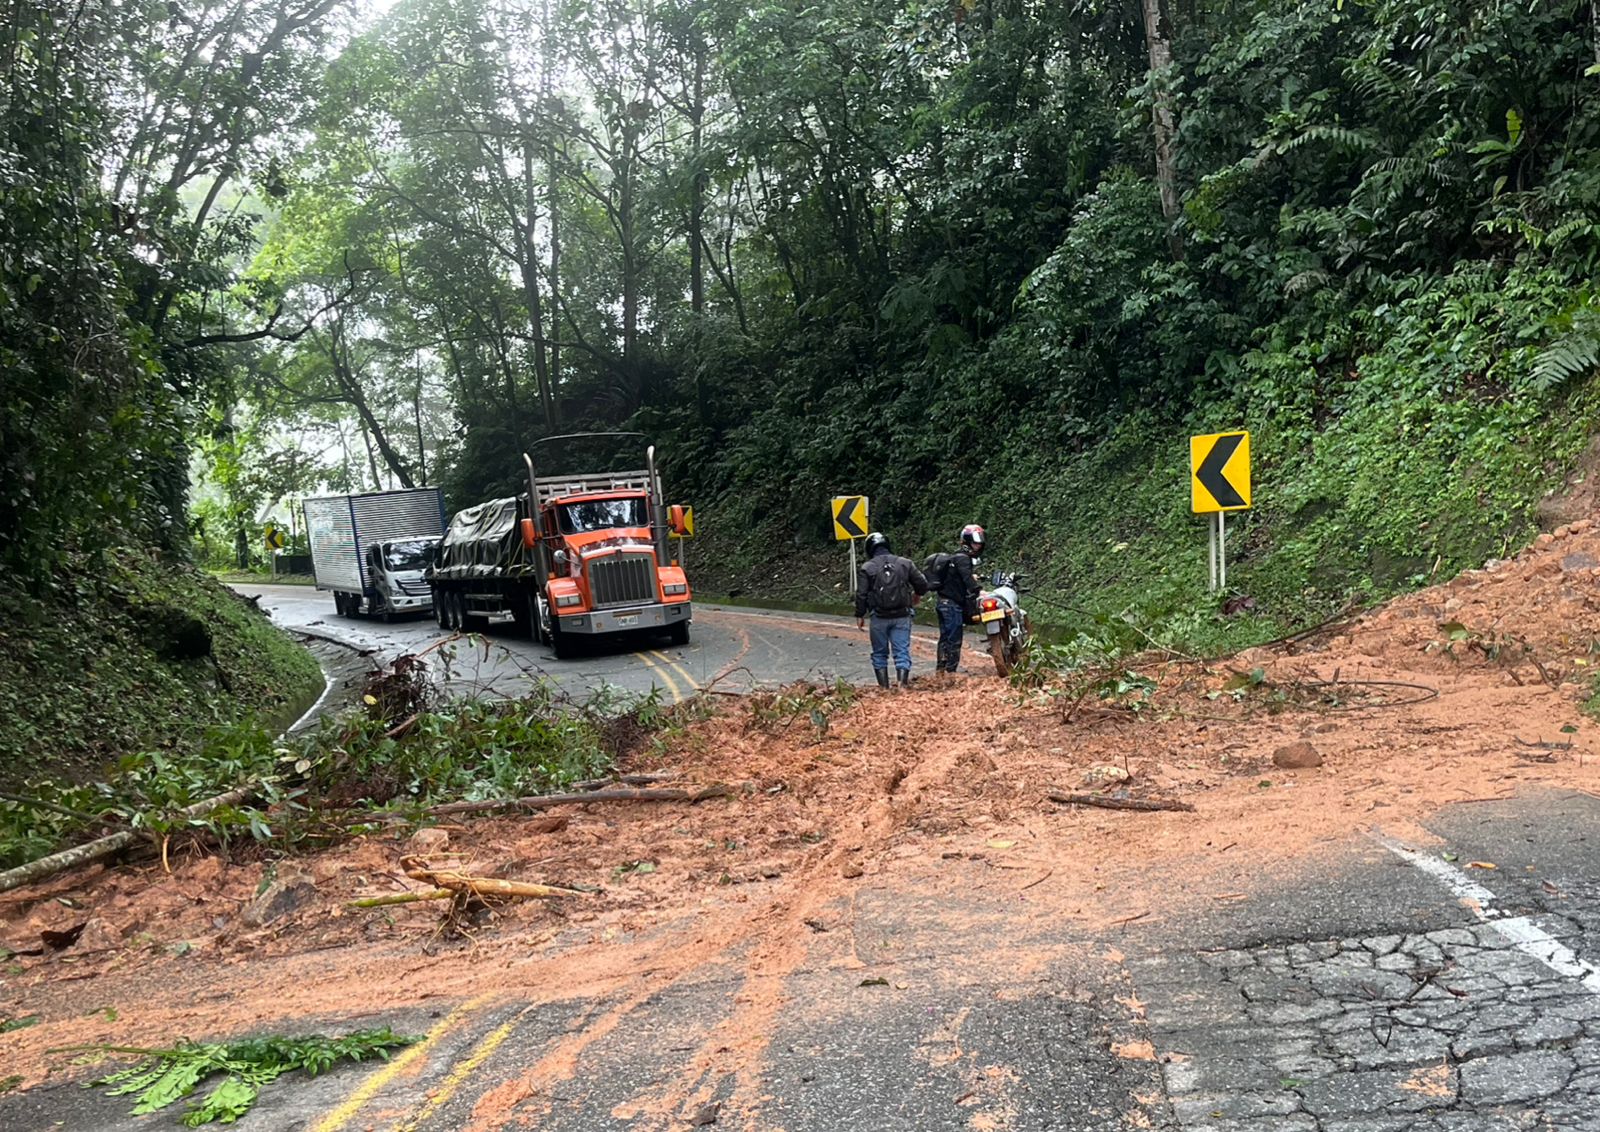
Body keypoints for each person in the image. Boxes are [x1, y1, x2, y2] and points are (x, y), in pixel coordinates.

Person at [854, 531, 929, 689]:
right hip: (902, 615)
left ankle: (884, 689)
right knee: (901, 651)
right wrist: (917, 595)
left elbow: (861, 594)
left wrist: (860, 614)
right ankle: (902, 686)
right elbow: (922, 583)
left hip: (879, 617)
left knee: (879, 653)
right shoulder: (905, 563)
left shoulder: (867, 567)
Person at [930, 524, 984, 675]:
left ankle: (941, 671)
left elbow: (960, 578)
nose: (977, 547)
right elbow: (967, 579)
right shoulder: (963, 559)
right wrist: (979, 591)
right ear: (966, 542)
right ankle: (950, 673)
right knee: (954, 639)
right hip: (952, 605)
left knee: (945, 637)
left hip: (943, 602)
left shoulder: (955, 558)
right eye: (975, 543)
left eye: (979, 543)